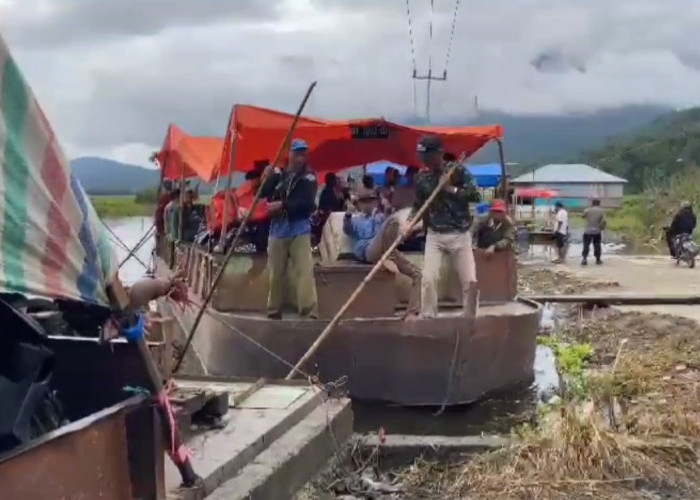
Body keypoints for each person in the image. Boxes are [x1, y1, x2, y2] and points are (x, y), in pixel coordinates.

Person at [402, 135, 481, 319]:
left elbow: (476, 196)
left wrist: (450, 189)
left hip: (460, 234)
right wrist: (409, 222)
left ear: (439, 154)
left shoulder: (457, 171)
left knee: (470, 281)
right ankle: (429, 317)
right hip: (435, 235)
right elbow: (418, 205)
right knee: (428, 279)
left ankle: (471, 318)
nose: (424, 161)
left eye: (427, 156)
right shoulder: (421, 178)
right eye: (421, 157)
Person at [261, 139, 318, 319]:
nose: (300, 157)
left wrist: (283, 205)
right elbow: (263, 193)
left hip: (299, 228)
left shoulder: (309, 177)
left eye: (303, 153)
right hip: (278, 228)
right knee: (276, 272)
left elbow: (308, 204)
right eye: (297, 153)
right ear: (289, 155)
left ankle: (309, 312)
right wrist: (267, 177)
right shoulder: (279, 174)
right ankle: (273, 310)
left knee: (304, 270)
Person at [343, 187, 421, 318]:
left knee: (418, 274)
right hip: (369, 250)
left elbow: (390, 223)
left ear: (374, 202)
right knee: (392, 221)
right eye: (364, 201)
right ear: (359, 204)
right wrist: (348, 214)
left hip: (389, 249)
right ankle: (385, 257)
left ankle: (412, 311)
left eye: (370, 201)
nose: (368, 204)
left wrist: (388, 208)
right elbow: (347, 228)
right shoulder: (356, 221)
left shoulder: (379, 217)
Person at [581, 198, 606, 266]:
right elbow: (604, 221)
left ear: (592, 203)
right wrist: (601, 228)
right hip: (597, 231)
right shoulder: (601, 211)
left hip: (588, 231)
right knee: (597, 245)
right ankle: (598, 260)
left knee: (586, 245)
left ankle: (584, 259)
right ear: (599, 203)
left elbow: (583, 216)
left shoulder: (587, 210)